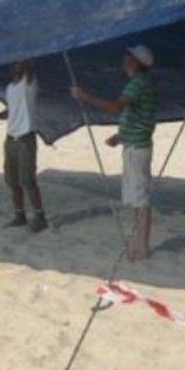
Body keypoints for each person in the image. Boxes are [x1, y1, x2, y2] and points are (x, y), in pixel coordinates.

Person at [70, 44, 157, 261]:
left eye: (129, 56)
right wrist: (120, 137)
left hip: (137, 149)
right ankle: (138, 244)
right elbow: (140, 117)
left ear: (136, 62)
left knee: (141, 199)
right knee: (136, 198)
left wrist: (85, 97)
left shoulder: (138, 84)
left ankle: (142, 248)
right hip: (133, 145)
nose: (125, 59)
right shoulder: (140, 84)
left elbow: (116, 107)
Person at [0, 58, 47, 233]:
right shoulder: (10, 88)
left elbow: (29, 68)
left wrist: (26, 59)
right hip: (10, 139)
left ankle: (39, 216)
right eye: (14, 64)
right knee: (12, 181)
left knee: (28, 180)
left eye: (19, 64)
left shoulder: (29, 84)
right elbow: (12, 109)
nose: (17, 66)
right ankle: (20, 215)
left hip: (25, 138)